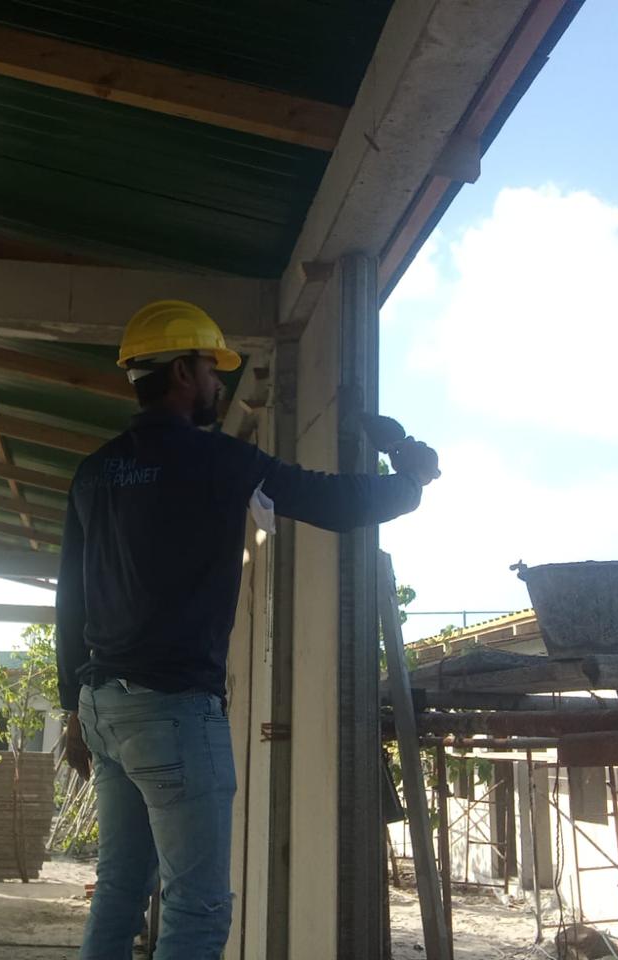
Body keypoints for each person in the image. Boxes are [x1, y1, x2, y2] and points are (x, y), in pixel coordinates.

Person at [55, 300, 439, 960]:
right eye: (211, 369)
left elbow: (70, 599)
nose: (218, 382)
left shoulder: (94, 472)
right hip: (173, 711)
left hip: (103, 709)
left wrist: (72, 707)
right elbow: (333, 501)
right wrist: (410, 480)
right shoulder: (218, 460)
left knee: (119, 889)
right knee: (198, 909)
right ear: (182, 372)